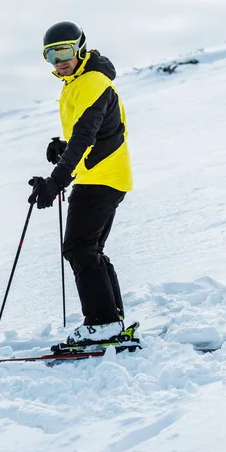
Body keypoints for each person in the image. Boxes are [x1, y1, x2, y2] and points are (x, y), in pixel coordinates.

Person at [28, 21, 133, 345]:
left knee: (79, 248)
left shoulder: (90, 82)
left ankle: (102, 324)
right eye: (51, 54)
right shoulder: (78, 82)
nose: (59, 60)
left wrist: (55, 182)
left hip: (100, 178)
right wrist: (64, 146)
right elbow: (92, 132)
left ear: (80, 48)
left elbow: (86, 136)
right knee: (90, 249)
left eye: (65, 50)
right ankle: (111, 320)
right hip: (104, 176)